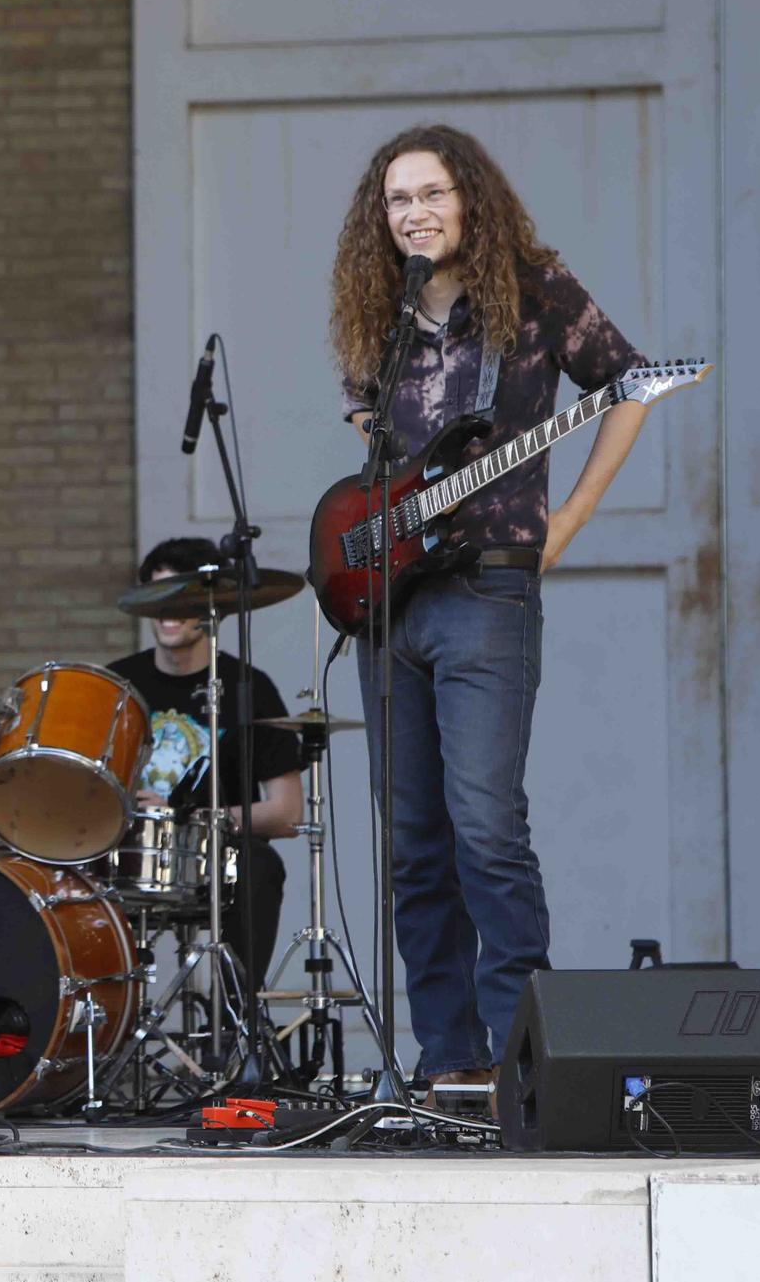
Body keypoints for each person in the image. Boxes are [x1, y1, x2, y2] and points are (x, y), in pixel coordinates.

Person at [329, 124, 649, 1091]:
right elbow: (372, 448)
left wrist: (567, 522)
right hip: (394, 606)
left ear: (469, 197)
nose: (415, 212)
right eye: (398, 200)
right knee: (412, 843)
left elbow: (626, 385)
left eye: (431, 193)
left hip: (490, 589)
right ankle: (449, 1055)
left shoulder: (536, 291)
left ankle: (521, 1055)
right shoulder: (377, 316)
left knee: (485, 826)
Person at [108, 537, 303, 987]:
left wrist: (189, 818)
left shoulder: (248, 687)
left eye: (184, 595)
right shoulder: (117, 684)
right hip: (128, 852)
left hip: (216, 857)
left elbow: (287, 813)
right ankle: (94, 1027)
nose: (169, 609)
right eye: (158, 594)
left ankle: (239, 1016)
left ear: (213, 608)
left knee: (260, 866)